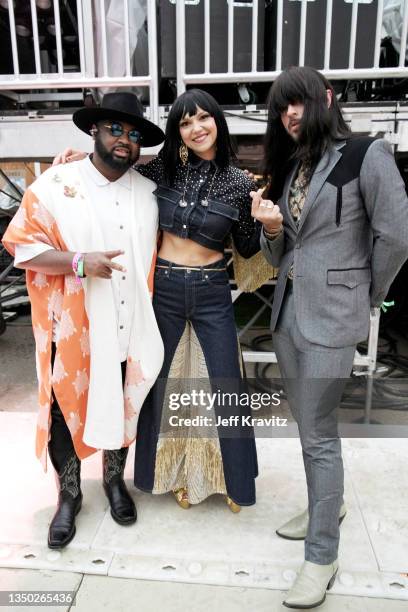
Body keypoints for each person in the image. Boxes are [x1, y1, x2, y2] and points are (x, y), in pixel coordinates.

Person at [55, 88, 263, 512]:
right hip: (163, 289)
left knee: (225, 385)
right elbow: (113, 170)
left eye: (203, 118)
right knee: (156, 383)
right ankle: (166, 475)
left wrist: (269, 227)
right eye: (185, 123)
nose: (196, 128)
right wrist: (78, 163)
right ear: (177, 131)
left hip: (210, 290)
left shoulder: (241, 183)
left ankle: (233, 481)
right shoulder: (161, 172)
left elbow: (245, 246)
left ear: (218, 123)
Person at [251, 66, 408, 609]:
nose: (290, 115)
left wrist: (367, 295)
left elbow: (396, 237)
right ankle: (329, 503)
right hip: (290, 315)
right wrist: (271, 229)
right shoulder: (294, 167)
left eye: (299, 103)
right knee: (309, 424)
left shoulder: (366, 155)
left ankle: (322, 554)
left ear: (327, 98)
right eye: (281, 108)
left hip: (333, 318)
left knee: (318, 435)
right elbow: (281, 257)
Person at [2, 92, 166, 549]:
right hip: (71, 327)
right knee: (62, 408)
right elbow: (22, 245)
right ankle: (69, 495)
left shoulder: (149, 192)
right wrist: (78, 262)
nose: (125, 141)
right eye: (115, 129)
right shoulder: (56, 184)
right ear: (94, 130)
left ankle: (114, 482)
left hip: (127, 322)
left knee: (120, 400)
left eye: (134, 135)